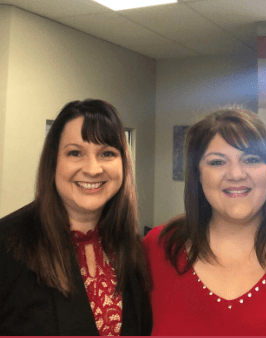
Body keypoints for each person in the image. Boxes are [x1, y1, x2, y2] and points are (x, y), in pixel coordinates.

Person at [143, 108, 266, 336]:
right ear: (198, 174)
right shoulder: (159, 248)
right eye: (217, 162)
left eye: (251, 159)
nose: (236, 174)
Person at [0, 99, 152, 335]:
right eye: (75, 153)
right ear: (53, 163)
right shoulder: (6, 243)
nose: (92, 169)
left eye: (107, 153)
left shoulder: (132, 248)